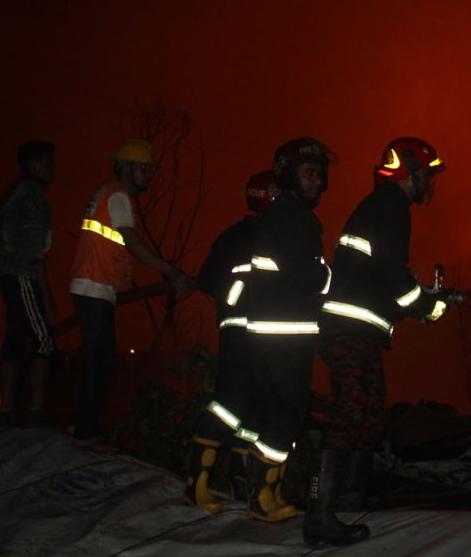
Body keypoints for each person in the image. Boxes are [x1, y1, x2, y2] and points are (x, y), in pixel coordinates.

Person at [306, 137, 451, 546]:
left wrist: (415, 299)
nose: (431, 184)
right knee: (352, 413)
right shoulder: (391, 208)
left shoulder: (383, 206)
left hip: (358, 330)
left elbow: (381, 277)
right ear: (408, 172)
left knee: (369, 416)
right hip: (347, 330)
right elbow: (394, 278)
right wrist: (427, 307)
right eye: (428, 175)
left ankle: (351, 502)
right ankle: (319, 515)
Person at [68, 139, 195, 449]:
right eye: (142, 168)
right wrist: (171, 272)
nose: (148, 174)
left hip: (94, 284)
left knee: (98, 359)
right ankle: (85, 431)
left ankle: (80, 423)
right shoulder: (118, 196)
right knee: (102, 362)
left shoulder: (107, 192)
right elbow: (134, 244)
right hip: (95, 285)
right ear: (123, 167)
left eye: (150, 169)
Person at [238, 137, 333, 523]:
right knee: (286, 415)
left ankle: (267, 492)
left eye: (320, 174)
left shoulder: (288, 215)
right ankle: (262, 498)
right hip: (282, 338)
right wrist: (332, 276)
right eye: (309, 173)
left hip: (279, 335)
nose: (317, 181)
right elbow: (309, 276)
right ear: (288, 175)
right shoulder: (291, 218)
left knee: (280, 415)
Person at [184, 170, 278, 514]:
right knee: (230, 404)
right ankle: (196, 485)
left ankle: (241, 488)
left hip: (268, 334)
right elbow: (208, 280)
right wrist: (241, 290)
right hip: (241, 331)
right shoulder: (239, 237)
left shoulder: (277, 236)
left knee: (255, 409)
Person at [0, 140, 57, 427]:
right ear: (33, 166)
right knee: (45, 341)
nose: (53, 169)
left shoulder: (15, 192)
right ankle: (35, 411)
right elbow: (35, 251)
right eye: (47, 163)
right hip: (23, 276)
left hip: (11, 275)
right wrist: (46, 295)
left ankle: (7, 411)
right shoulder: (32, 197)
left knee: (15, 339)